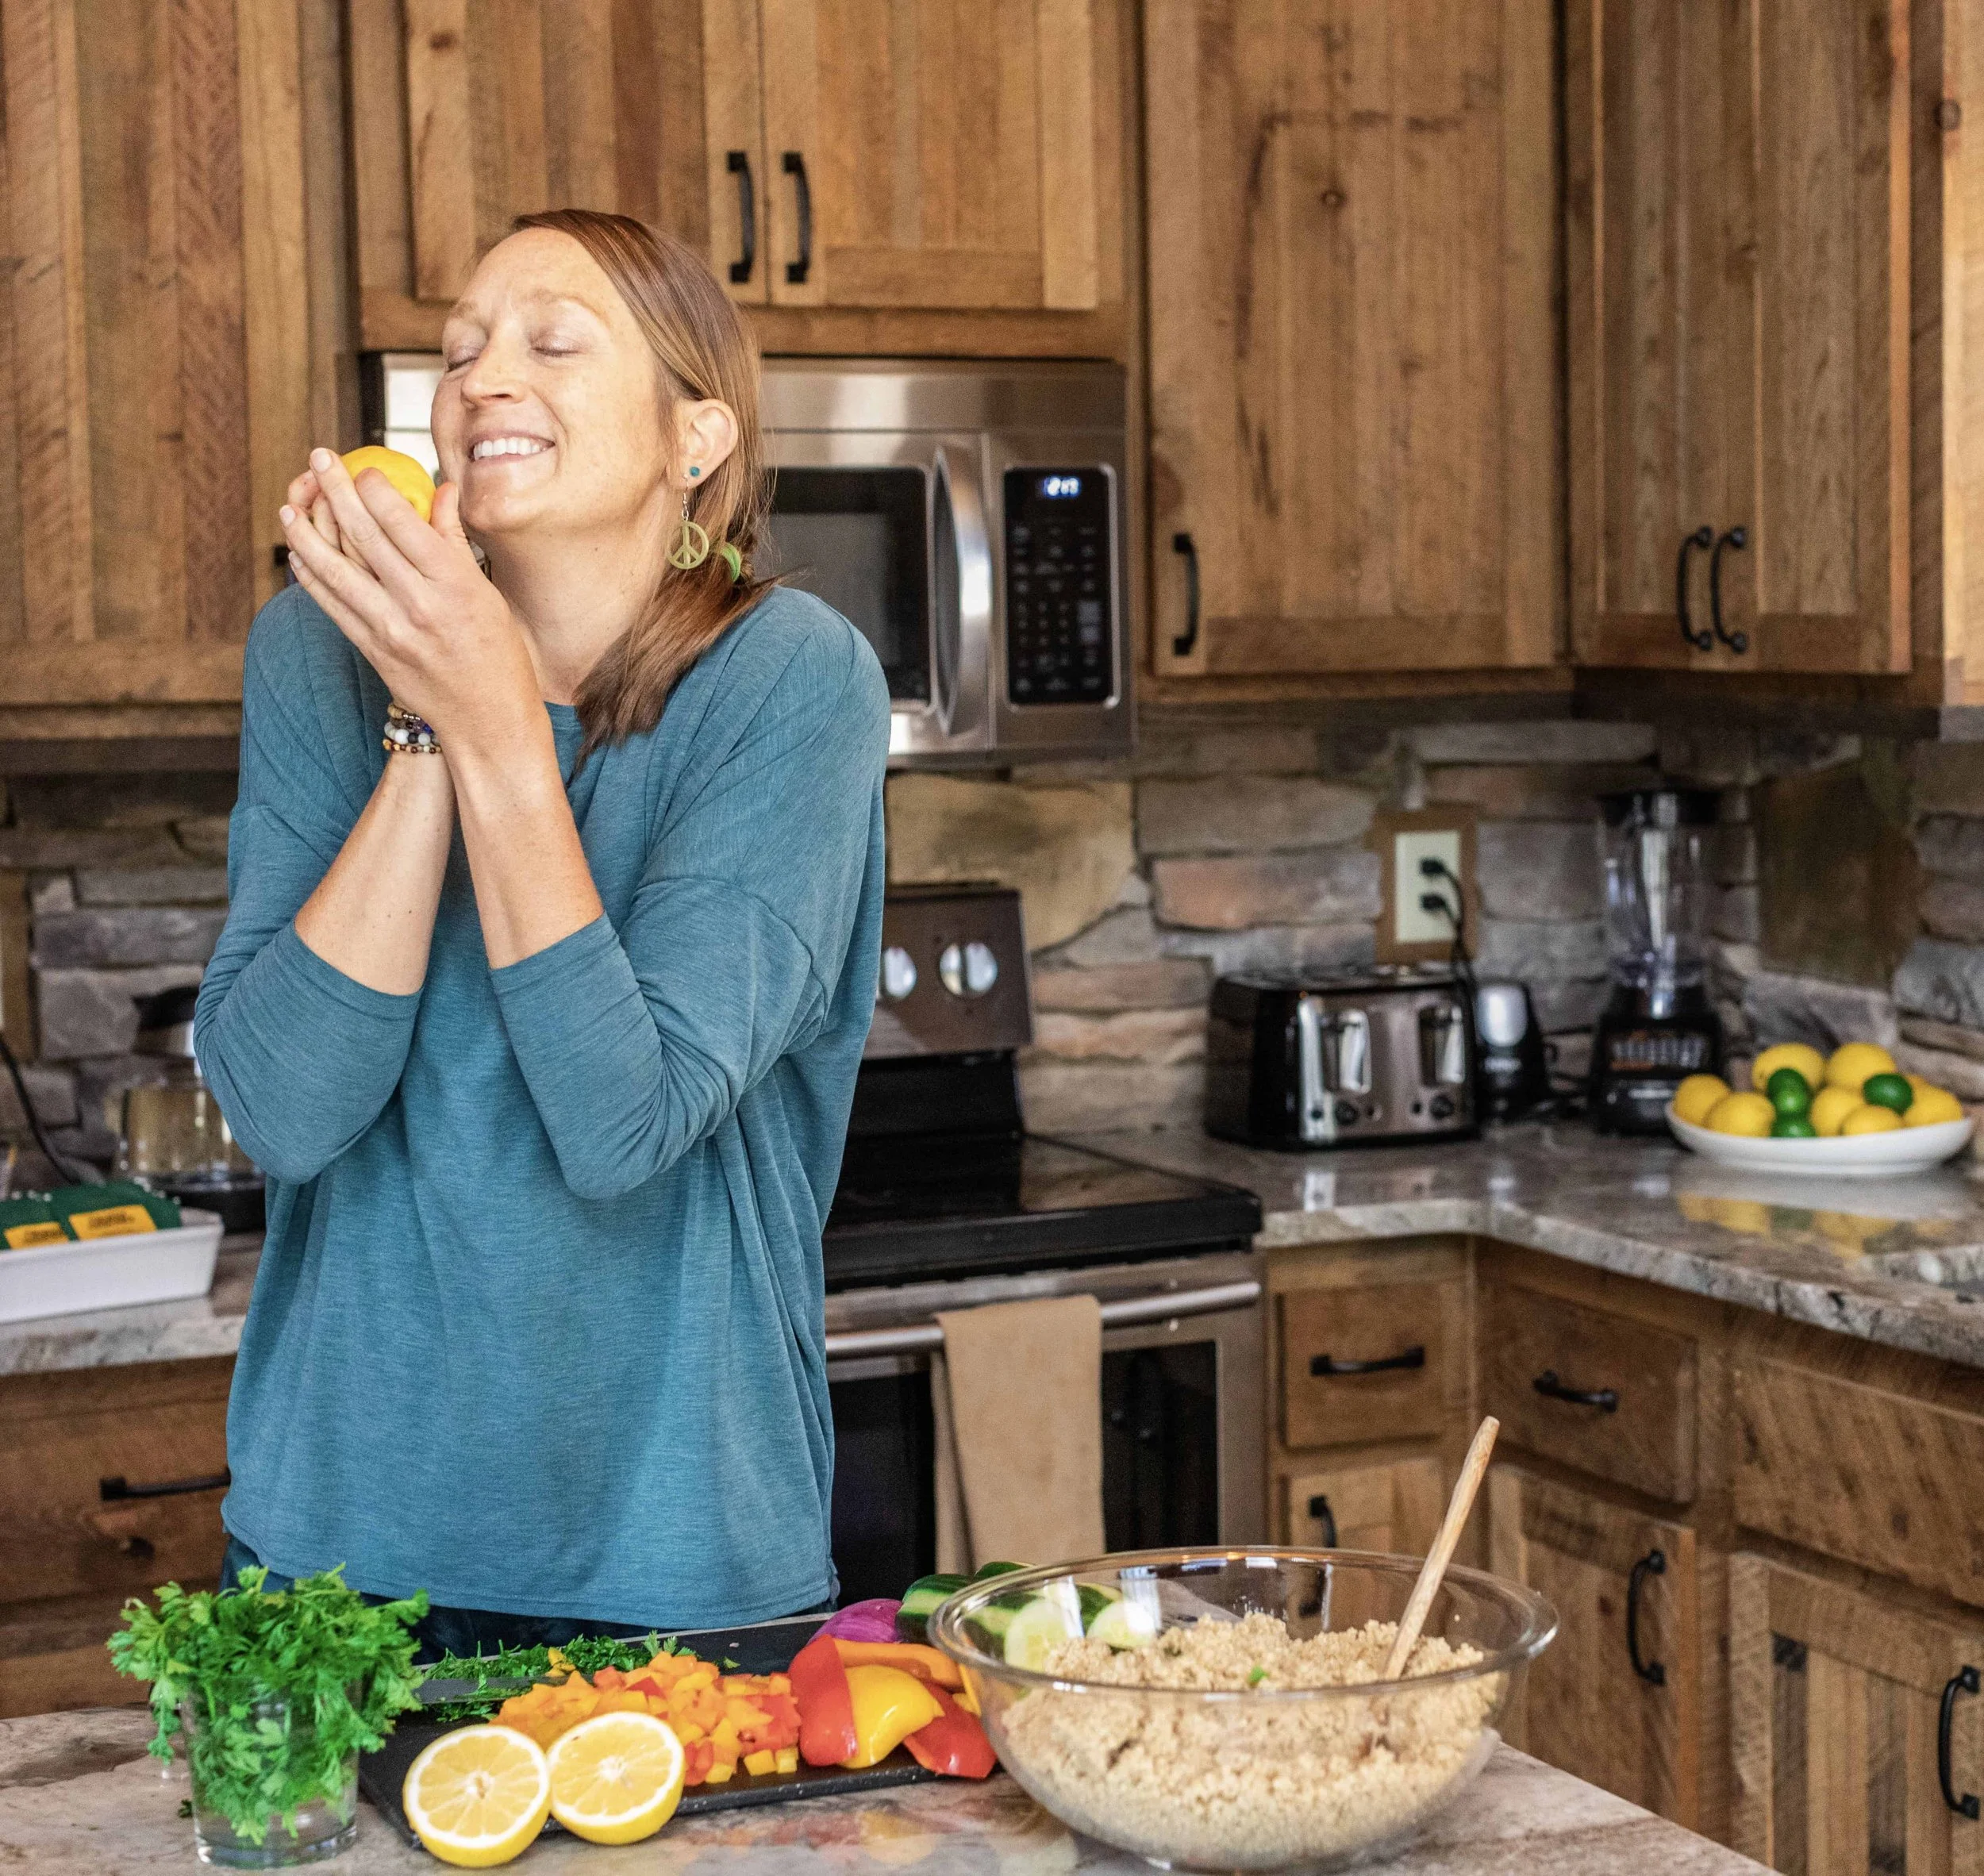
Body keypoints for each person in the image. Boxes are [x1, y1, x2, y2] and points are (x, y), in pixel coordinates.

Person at [193, 209, 890, 1655]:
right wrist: (429, 714)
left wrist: (500, 720)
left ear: (694, 440)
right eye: (460, 353)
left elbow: (622, 1123)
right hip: (337, 1544)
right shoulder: (319, 649)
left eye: (553, 342)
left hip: (669, 1560)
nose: (481, 378)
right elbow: (282, 1111)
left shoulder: (790, 683)